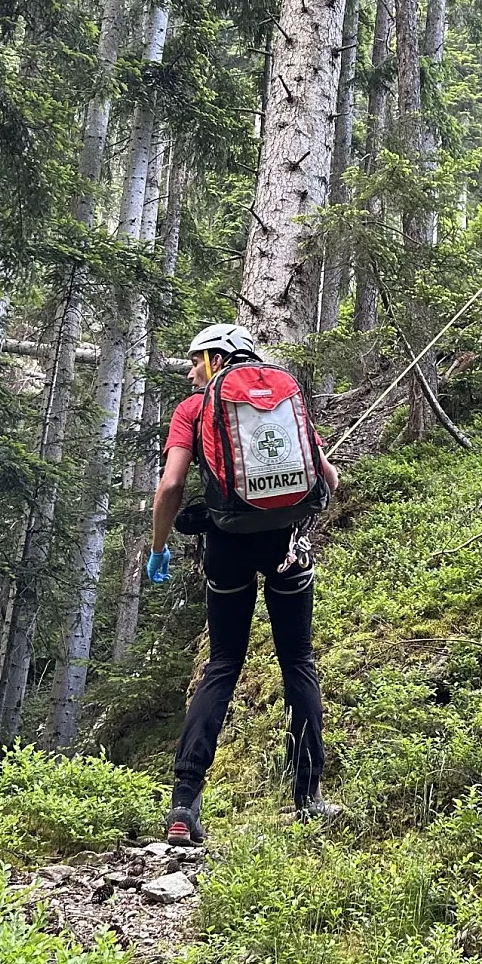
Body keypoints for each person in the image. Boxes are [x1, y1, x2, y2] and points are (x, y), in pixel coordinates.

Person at [148, 323, 342, 846]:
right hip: (286, 547)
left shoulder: (194, 410)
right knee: (297, 662)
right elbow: (328, 479)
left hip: (227, 546)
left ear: (217, 358)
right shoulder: (283, 398)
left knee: (223, 663)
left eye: (196, 360)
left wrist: (159, 547)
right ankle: (308, 798)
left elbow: (170, 486)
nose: (191, 370)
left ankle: (184, 804)